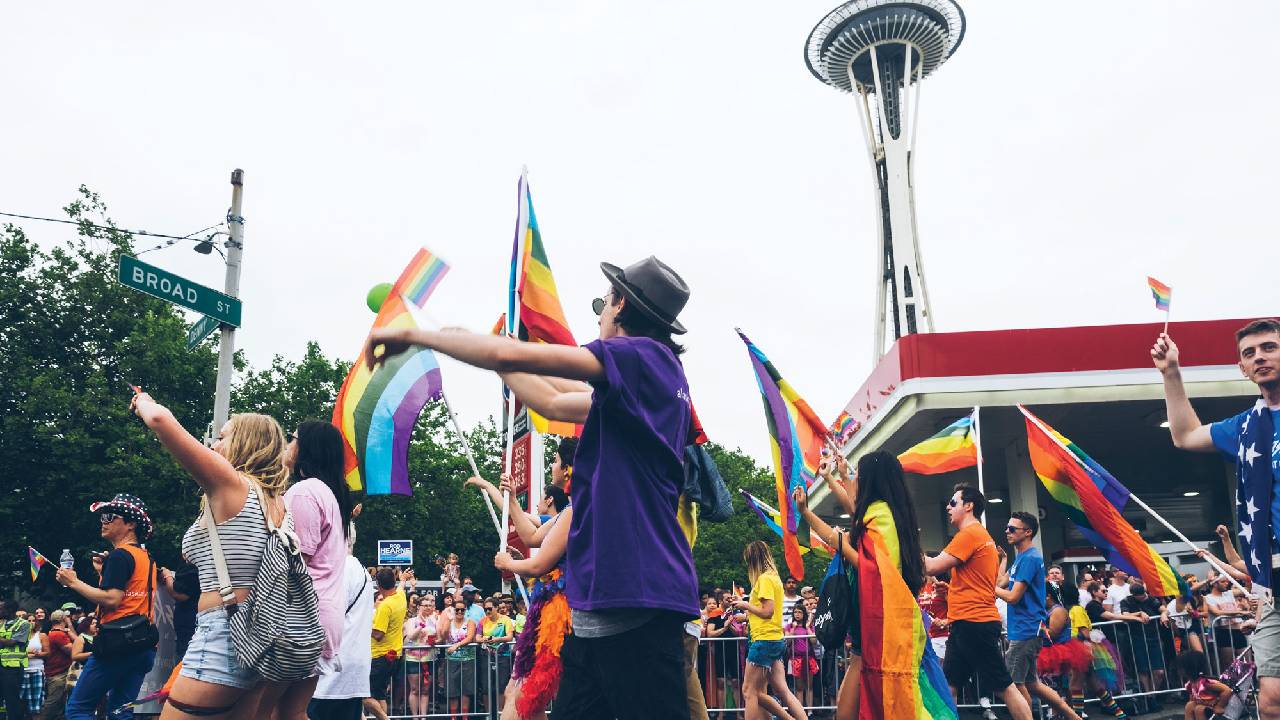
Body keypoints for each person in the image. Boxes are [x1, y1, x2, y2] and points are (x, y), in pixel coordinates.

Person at [368, 255, 700, 719]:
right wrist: (473, 346)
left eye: (603, 303)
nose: (600, 314)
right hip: (602, 613)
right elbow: (550, 399)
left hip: (637, 603)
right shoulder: (645, 385)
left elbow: (520, 359)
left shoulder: (643, 357)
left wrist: (416, 336)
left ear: (621, 304)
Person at [127, 393, 292, 718]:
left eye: (221, 437)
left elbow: (161, 421)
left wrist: (143, 402)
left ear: (245, 444)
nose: (214, 446)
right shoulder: (280, 505)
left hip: (224, 636)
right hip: (264, 641)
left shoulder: (231, 486)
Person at [1153, 320, 1280, 717]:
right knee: (1273, 698)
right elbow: (1185, 435)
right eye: (1249, 353)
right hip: (1272, 580)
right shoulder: (1245, 426)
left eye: (1269, 347)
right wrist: (1171, 372)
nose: (1259, 356)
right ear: (1242, 368)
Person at [252, 420, 353, 719]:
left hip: (299, 620)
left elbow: (295, 563)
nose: (287, 444)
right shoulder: (327, 493)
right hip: (319, 618)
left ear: (308, 448)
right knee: (292, 713)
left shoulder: (304, 493)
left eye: (293, 438)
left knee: (258, 711)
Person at [923, 484, 1033, 720]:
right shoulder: (980, 537)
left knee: (1005, 687)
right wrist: (951, 591)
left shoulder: (970, 534)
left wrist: (903, 544)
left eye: (953, 502)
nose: (948, 507)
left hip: (974, 623)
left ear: (969, 506)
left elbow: (931, 566)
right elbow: (980, 585)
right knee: (949, 685)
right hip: (967, 622)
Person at [55, 493, 158, 720]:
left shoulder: (120, 556)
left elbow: (112, 600)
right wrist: (104, 573)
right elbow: (133, 594)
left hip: (117, 644)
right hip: (143, 645)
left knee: (77, 709)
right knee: (120, 711)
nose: (104, 521)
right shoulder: (145, 557)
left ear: (130, 524)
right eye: (102, 516)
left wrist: (73, 582)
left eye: (110, 516)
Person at [995, 511, 1081, 720]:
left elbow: (1013, 596)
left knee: (1014, 684)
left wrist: (986, 589)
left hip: (1025, 630)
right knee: (1032, 683)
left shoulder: (1030, 558)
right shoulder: (1021, 557)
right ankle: (1074, 717)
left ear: (1028, 532)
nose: (1007, 531)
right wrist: (1003, 559)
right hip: (1026, 629)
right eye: (1007, 527)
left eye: (1012, 528)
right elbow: (999, 584)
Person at [733, 541, 807, 720]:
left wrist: (745, 605)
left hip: (764, 641)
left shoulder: (764, 579)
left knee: (749, 691)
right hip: (775, 639)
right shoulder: (774, 577)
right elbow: (767, 612)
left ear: (753, 560)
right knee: (779, 691)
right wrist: (746, 616)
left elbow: (767, 612)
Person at [308, 525, 375, 720]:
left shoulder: (340, 568)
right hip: (349, 670)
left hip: (331, 673)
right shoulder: (360, 570)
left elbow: (326, 617)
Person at [365, 568, 406, 720]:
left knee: (363, 695)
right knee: (380, 695)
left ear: (378, 584)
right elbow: (401, 586)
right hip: (394, 655)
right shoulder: (400, 596)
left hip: (380, 656)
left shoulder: (385, 606)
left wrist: (362, 626)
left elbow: (378, 635)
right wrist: (403, 578)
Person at [1118, 583, 1168, 695]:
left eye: (1144, 594)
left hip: (1153, 638)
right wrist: (1140, 613)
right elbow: (1125, 614)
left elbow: (1163, 609)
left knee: (1159, 671)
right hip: (1137, 638)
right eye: (1141, 596)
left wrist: (1164, 614)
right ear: (1134, 595)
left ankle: (1154, 693)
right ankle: (1148, 695)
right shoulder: (1126, 601)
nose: (1144, 597)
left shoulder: (1150, 599)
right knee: (1143, 670)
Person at [439, 598, 478, 719]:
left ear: (465, 610)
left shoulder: (470, 622)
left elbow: (470, 637)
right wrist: (448, 620)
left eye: (462, 610)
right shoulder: (449, 621)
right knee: (452, 689)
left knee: (466, 689)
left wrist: (456, 645)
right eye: (457, 610)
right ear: (454, 610)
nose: (460, 612)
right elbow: (444, 636)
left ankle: (465, 716)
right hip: (452, 659)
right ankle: (454, 716)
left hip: (467, 659)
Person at [1205, 576, 1251, 672]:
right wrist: (1240, 612)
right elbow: (1217, 612)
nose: (1226, 583)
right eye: (1223, 582)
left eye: (1227, 581)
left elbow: (1248, 589)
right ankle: (1228, 684)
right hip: (1223, 632)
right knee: (1227, 662)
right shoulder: (1208, 598)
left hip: (1238, 630)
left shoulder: (1229, 593)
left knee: (1245, 659)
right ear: (1214, 583)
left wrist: (1247, 578)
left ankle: (1247, 684)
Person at [403, 592, 438, 718]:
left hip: (429, 658)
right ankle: (414, 716)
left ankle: (423, 716)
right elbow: (411, 636)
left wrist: (435, 640)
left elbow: (440, 637)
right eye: (425, 605)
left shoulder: (434, 620)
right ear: (418, 607)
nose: (428, 607)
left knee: (425, 690)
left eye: (430, 605)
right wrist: (421, 626)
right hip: (413, 658)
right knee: (415, 689)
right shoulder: (411, 621)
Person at [42, 609, 77, 720]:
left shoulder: (52, 633)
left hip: (56, 672)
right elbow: (75, 650)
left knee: (59, 704)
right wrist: (70, 629)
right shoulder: (59, 634)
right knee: (53, 702)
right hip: (58, 674)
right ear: (63, 619)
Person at [1, 600, 32, 720]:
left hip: (12, 669)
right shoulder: (1, 623)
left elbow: (12, 642)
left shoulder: (24, 624)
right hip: (1, 666)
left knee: (11, 699)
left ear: (9, 610)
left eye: (1, 609)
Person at [784, 603, 817, 708]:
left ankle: (810, 711)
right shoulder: (789, 626)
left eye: (800, 612)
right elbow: (788, 642)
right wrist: (792, 630)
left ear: (804, 614)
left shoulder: (810, 626)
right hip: (796, 659)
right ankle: (800, 710)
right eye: (795, 612)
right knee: (799, 687)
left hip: (808, 658)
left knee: (810, 686)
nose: (797, 614)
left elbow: (814, 641)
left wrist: (807, 628)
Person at [22, 616, 49, 720]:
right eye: (29, 620)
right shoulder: (19, 635)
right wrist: (27, 654)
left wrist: (38, 654)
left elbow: (47, 653)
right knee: (19, 702)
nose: (31, 622)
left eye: (33, 620)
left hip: (37, 669)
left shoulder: (41, 635)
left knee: (36, 704)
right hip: (21, 670)